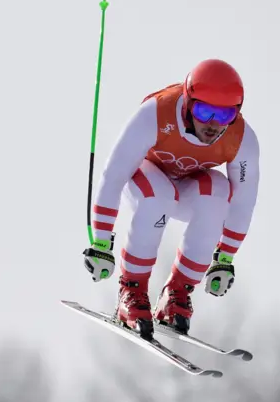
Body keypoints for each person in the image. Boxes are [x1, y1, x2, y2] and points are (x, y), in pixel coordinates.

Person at [82, 58, 260, 339]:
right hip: (145, 179)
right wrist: (102, 241)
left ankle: (176, 294)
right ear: (188, 103)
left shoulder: (242, 139)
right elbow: (114, 173)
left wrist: (225, 257)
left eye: (224, 116)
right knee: (159, 198)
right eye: (203, 111)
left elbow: (244, 201)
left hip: (187, 187)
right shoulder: (156, 112)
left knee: (219, 193)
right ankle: (132, 291)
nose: (213, 125)